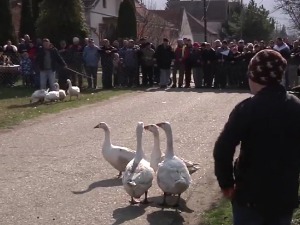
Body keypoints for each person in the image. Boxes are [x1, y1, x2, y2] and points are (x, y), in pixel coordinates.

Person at [213, 49, 300, 225]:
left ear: (256, 77)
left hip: (250, 195)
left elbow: (223, 148)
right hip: (284, 194)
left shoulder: (247, 109)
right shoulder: (296, 107)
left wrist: (226, 183)